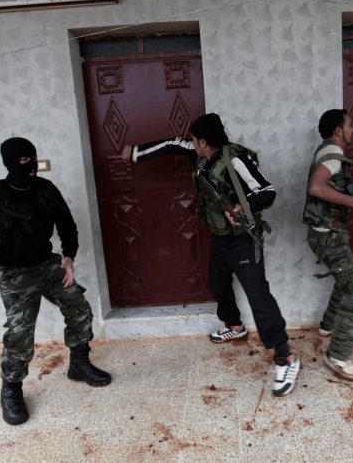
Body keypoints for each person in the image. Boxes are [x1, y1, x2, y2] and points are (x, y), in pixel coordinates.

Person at [121, 113, 301, 397]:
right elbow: (174, 144)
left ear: (204, 141)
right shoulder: (201, 154)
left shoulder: (235, 161)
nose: (191, 143)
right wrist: (136, 153)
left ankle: (286, 357)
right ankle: (234, 326)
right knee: (217, 283)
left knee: (258, 295)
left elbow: (268, 191)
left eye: (195, 139)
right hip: (221, 239)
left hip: (243, 239)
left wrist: (241, 209)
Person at [0, 137, 111, 425]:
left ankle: (79, 362)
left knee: (78, 305)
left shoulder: (46, 190)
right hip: (12, 271)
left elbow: (66, 225)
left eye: (33, 159)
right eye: (24, 161)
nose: (32, 166)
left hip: (46, 265)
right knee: (21, 331)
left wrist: (68, 258)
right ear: (10, 163)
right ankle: (10, 388)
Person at [302, 109, 353, 382]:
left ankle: (328, 326)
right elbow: (316, 187)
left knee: (344, 279)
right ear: (338, 130)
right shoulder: (331, 156)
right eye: (349, 126)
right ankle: (338, 355)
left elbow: (336, 188)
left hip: (327, 232)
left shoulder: (328, 152)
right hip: (328, 236)